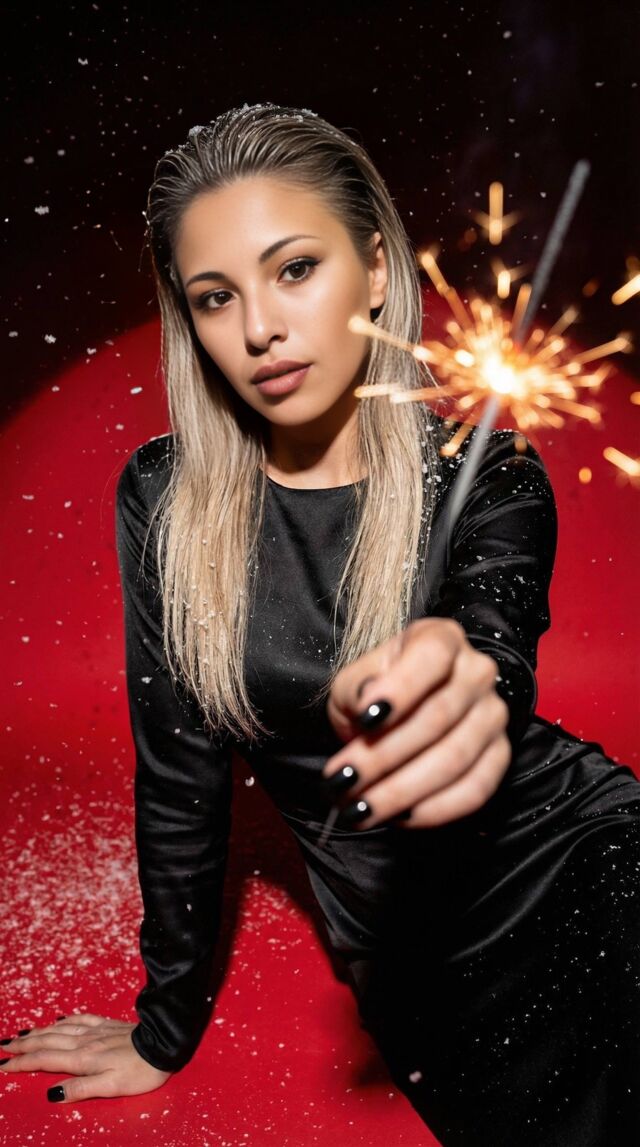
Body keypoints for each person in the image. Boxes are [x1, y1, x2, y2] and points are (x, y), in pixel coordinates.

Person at [2, 103, 638, 1146]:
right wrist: (164, 1029)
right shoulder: (165, 497)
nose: (259, 327)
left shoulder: (486, 473)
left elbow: (492, 649)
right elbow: (179, 780)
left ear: (376, 270)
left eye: (295, 268)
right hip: (417, 954)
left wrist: (462, 679)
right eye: (216, 296)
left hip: (586, 860)